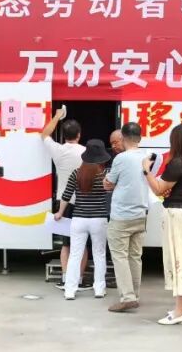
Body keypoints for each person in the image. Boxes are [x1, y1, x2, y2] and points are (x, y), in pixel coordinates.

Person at [143, 124, 182, 325]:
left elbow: (158, 189)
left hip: (177, 215)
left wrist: (146, 170)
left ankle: (179, 311)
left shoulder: (178, 163)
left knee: (178, 260)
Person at [103, 123, 150, 313]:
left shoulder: (121, 158)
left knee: (120, 256)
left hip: (121, 215)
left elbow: (108, 182)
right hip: (141, 214)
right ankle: (135, 295)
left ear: (123, 138)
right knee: (135, 256)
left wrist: (110, 183)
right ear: (140, 137)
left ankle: (127, 297)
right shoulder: (147, 156)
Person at [56, 140, 112, 300]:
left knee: (75, 254)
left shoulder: (77, 173)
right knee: (99, 254)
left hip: (79, 219)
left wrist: (60, 213)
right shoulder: (106, 174)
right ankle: (99, 289)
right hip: (99, 219)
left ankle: (70, 290)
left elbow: (66, 195)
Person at [41, 109, 88, 290]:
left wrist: (57, 116)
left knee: (66, 244)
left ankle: (65, 278)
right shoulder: (86, 152)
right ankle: (80, 280)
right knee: (82, 244)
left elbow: (44, 134)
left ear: (64, 135)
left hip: (63, 203)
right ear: (79, 134)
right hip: (83, 203)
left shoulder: (58, 150)